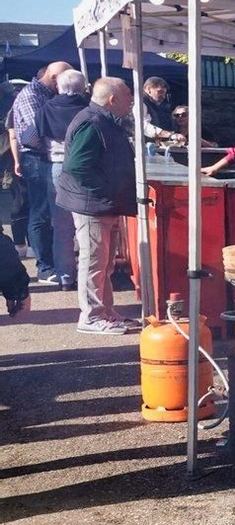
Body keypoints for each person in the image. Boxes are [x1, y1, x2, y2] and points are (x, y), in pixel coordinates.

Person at [57, 78, 140, 335]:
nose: (131, 100)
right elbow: (77, 166)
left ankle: (105, 312)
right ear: (112, 100)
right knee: (94, 261)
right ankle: (92, 316)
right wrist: (104, 192)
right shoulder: (92, 122)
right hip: (92, 204)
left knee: (104, 263)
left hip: (102, 202)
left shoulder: (102, 120)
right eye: (128, 95)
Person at [6, 60, 73, 282]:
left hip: (47, 156)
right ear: (54, 78)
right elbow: (41, 129)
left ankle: (52, 262)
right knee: (40, 211)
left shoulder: (47, 94)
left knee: (50, 212)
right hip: (35, 157)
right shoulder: (30, 94)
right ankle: (44, 267)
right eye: (62, 82)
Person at [40, 69, 91, 291]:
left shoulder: (45, 108)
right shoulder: (88, 110)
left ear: (59, 87)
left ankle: (65, 277)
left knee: (61, 226)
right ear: (82, 87)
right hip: (84, 168)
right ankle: (89, 277)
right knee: (86, 225)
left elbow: (33, 137)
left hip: (56, 167)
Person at [141, 76, 183, 150]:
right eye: (160, 92)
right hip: (142, 149)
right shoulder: (140, 103)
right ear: (148, 89)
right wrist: (171, 135)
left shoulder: (159, 106)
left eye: (164, 93)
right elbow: (143, 126)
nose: (163, 96)